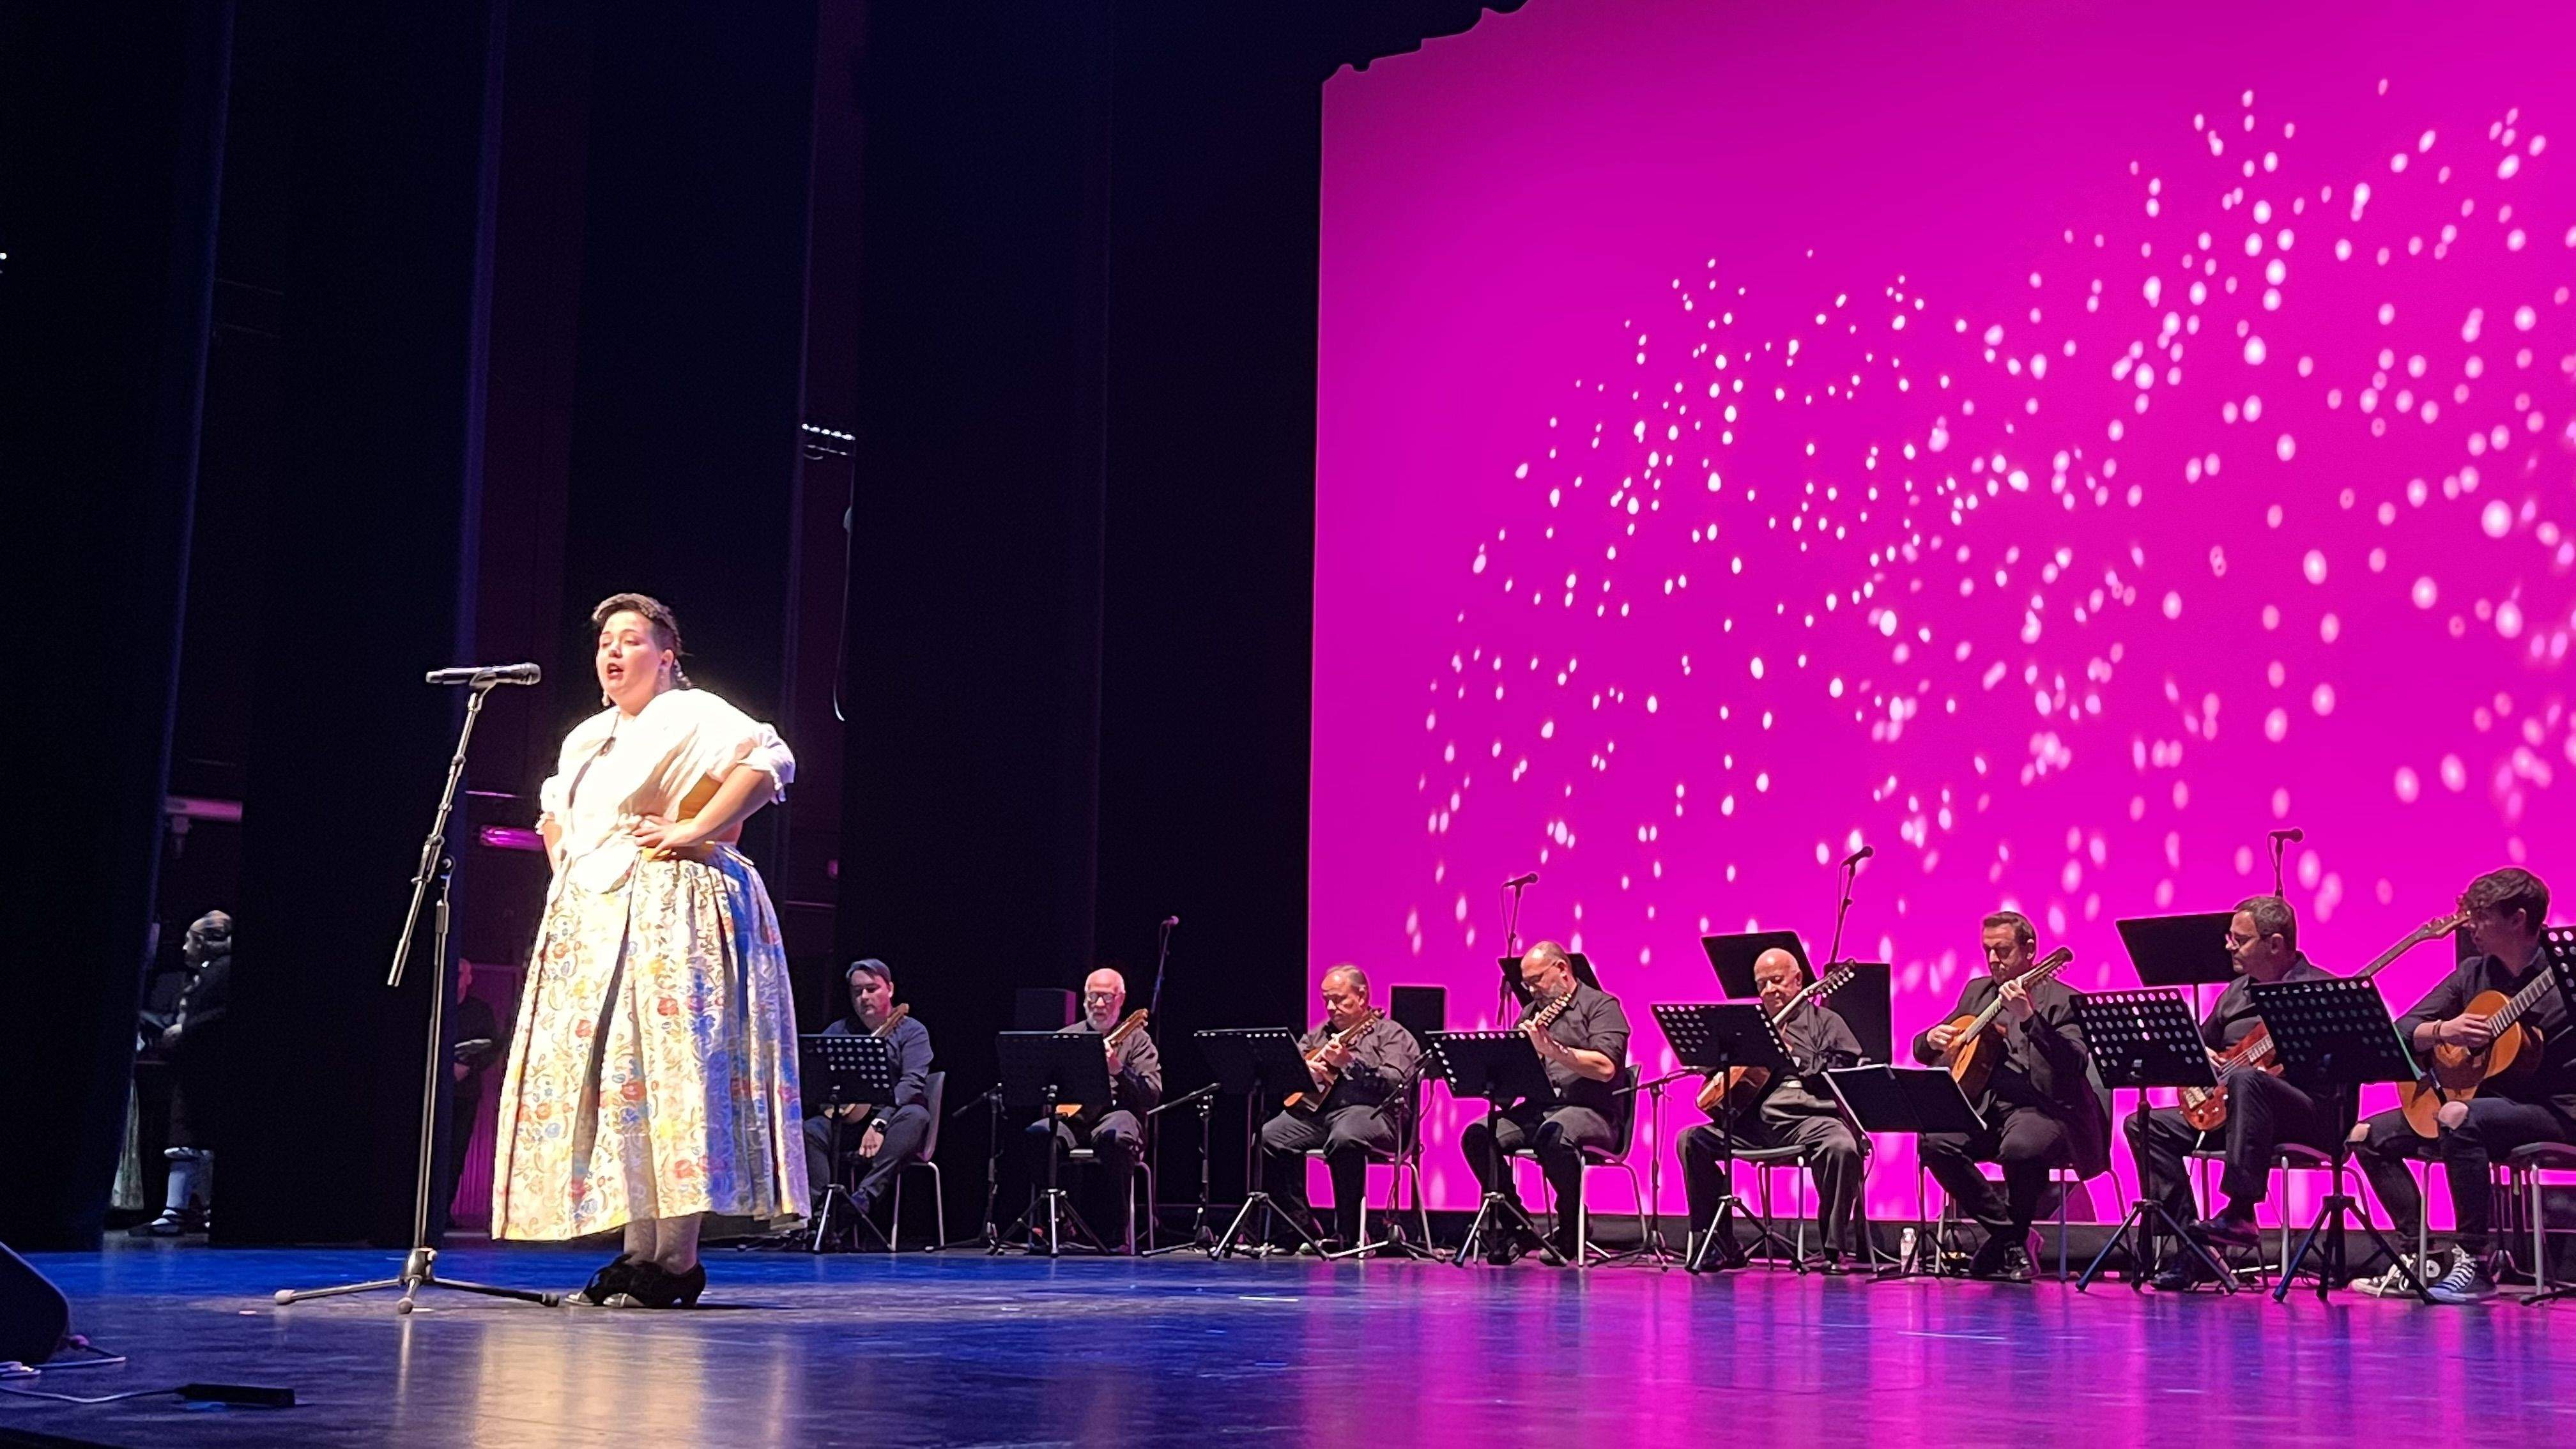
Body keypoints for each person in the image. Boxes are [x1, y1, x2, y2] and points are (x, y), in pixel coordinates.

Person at [491, 592, 805, 1308]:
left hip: (672, 911)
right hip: (599, 918)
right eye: (604, 640)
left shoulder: (696, 715)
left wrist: (695, 827)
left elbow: (769, 758)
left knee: (674, 1075)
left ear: (666, 656)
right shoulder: (587, 737)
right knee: (621, 1082)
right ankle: (638, 1251)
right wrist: (572, 882)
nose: (612, 651)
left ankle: (676, 1257)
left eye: (630, 640)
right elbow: (553, 818)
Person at [2350, 867, 2570, 1303]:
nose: (2470, 926)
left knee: (2456, 1116)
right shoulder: (2473, 973)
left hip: (2556, 1108)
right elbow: (2405, 1026)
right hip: (2485, 1105)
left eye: (2482, 916)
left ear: (2518, 920)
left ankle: (2475, 1260)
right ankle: (2420, 1255)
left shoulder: (2563, 973)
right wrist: (2442, 1031)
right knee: (2365, 1137)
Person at [2124, 895, 2342, 1291]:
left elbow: (2343, 1064)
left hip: (2303, 1114)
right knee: (2146, 1125)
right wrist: (2201, 1057)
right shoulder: (2236, 993)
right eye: (2230, 937)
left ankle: (2241, 1210)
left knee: (2248, 1081)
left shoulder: (2321, 990)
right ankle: (2194, 1248)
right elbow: (2201, 1050)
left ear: (2275, 944)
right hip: (2238, 1115)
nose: (2228, 946)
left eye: (2239, 940)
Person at [1910, 910, 2110, 1281]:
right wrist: (1931, 1038)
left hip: (2046, 1109)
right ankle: (2012, 1237)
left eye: (2002, 950)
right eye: (1987, 950)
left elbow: (2074, 1064)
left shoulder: (2064, 1000)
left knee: (2021, 1147)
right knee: (1935, 1143)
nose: (1993, 960)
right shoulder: (1977, 991)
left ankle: (2008, 1240)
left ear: (2030, 950)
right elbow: (1930, 1048)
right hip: (1987, 1108)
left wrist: (2031, 1019)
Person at [1677, 947, 1867, 1272]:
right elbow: (1720, 1076)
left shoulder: (1826, 1022)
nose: (1769, 991)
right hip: (1750, 1124)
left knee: (1841, 1145)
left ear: (1798, 981)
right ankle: (1720, 1245)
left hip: (1806, 1119)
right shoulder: (1749, 1024)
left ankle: (1834, 1249)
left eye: (1777, 981)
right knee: (1691, 1140)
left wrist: (1796, 1058)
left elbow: (1845, 1074)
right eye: (1762, 984)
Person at [1459, 940, 1630, 1266]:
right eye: (1527, 983)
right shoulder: (1531, 1013)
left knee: (1554, 1134)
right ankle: (1518, 1227)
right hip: (1540, 1109)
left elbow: (1607, 1068)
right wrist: (1496, 1070)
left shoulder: (1601, 1005)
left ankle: (1572, 1225)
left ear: (1562, 970)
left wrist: (1551, 1049)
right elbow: (1513, 1083)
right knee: (1478, 1135)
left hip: (1592, 1109)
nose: (1532, 989)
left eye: (1537, 979)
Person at [1254, 965, 1422, 1252]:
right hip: (1319, 1117)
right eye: (1326, 1000)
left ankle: (1349, 1232)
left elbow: (1397, 1082)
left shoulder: (1390, 1034)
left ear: (1362, 996)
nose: (1331, 1008)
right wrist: (1306, 1073)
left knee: (1345, 1137)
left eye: (1340, 999)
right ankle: (1299, 1226)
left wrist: (1350, 1064)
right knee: (1270, 1136)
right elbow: (1288, 1078)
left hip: (1373, 1115)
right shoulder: (1318, 1035)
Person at [801, 958, 935, 1235]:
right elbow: (816, 1074)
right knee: (811, 1130)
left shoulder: (912, 1032)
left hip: (892, 1121)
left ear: (890, 989)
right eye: (857, 991)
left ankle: (863, 1198)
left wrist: (880, 1123)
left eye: (872, 989)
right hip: (847, 1121)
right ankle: (820, 1211)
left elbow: (912, 1083)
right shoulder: (839, 1032)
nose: (864, 997)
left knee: (917, 1115)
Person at [1030, 967, 1161, 1248]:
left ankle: (1115, 1234)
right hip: (1075, 1117)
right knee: (1039, 1134)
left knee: (1114, 1137)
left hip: (1118, 1114)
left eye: (1106, 998)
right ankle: (1055, 1224)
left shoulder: (1138, 1040)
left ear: (1121, 998)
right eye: (1093, 997)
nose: (1099, 1005)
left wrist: (1119, 1070)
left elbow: (1151, 1095)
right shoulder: (1068, 1037)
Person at [130, 910, 231, 1238]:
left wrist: (185, 1030)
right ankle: (183, 1211)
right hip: (193, 1066)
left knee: (194, 1139)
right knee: (193, 1143)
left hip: (207, 1068)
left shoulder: (222, 972)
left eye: (190, 939)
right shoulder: (207, 973)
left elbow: (217, 1016)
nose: (185, 947)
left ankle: (182, 1212)